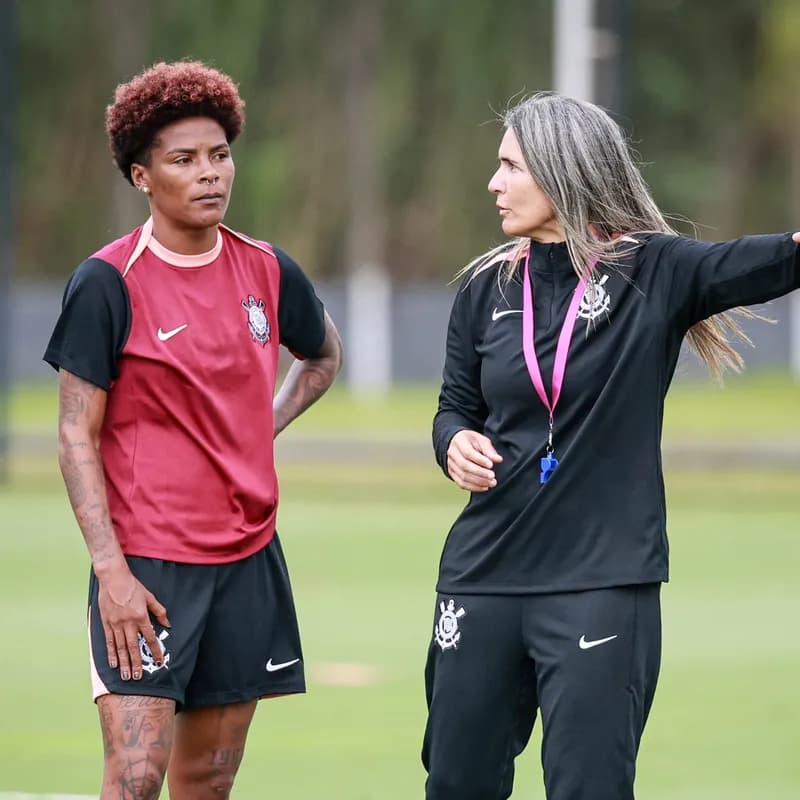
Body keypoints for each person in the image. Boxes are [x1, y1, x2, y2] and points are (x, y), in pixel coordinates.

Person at [423, 91, 800, 800]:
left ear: (562, 171)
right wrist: (455, 443)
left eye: (510, 167)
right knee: (455, 784)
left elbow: (776, 260)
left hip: (601, 582)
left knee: (588, 788)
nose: (493, 184)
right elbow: (454, 408)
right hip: (483, 576)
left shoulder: (655, 272)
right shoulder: (484, 288)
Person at [43, 60, 343, 799]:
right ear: (142, 177)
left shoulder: (268, 269)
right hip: (146, 570)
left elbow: (323, 356)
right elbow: (75, 435)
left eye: (219, 154)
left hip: (247, 562)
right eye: (183, 160)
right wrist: (111, 574)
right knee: (138, 777)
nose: (209, 173)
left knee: (206, 780)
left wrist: (255, 432)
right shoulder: (107, 282)